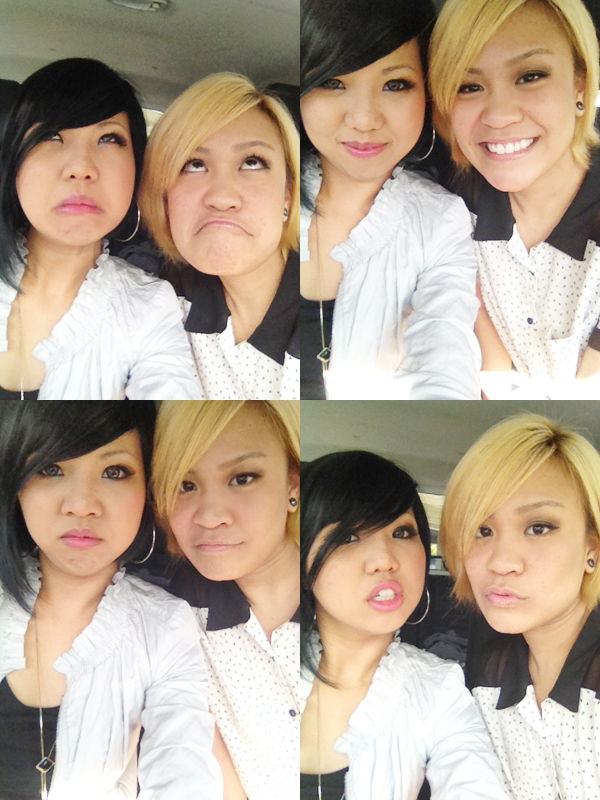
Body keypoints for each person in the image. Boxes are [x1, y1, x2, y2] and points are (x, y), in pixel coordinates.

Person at [0, 401, 221, 799]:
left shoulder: (166, 626)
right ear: (18, 483)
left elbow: (182, 761)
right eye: (51, 468)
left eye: (114, 472)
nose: (82, 505)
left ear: (147, 490)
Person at [299, 450, 510, 800]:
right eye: (348, 537)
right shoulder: (251, 662)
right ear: (303, 562)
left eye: (402, 532)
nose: (385, 560)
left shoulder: (440, 690)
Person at [299, 0, 481, 400]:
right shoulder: (260, 194)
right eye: (332, 82)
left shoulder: (440, 222)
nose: (364, 119)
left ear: (427, 95)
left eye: (395, 84)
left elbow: (445, 346)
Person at [0, 57, 201, 400]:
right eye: (50, 135)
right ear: (14, 161)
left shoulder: (150, 307)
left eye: (109, 138)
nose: (81, 168)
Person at [430, 0, 600, 399]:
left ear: (579, 86)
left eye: (530, 76)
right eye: (468, 86)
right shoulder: (449, 206)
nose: (499, 115)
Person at [440, 414, 600, 799]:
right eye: (482, 530)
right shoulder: (482, 672)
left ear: (591, 549)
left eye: (538, 527)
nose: (501, 562)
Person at [152, 400, 300, 800]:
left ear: (292, 485)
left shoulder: (345, 600)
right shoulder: (170, 624)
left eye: (242, 478)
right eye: (185, 485)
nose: (209, 516)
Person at [139, 74, 299, 400]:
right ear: (164, 197)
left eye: (252, 162)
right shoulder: (157, 304)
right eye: (194, 165)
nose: (222, 197)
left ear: (288, 194)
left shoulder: (327, 316)